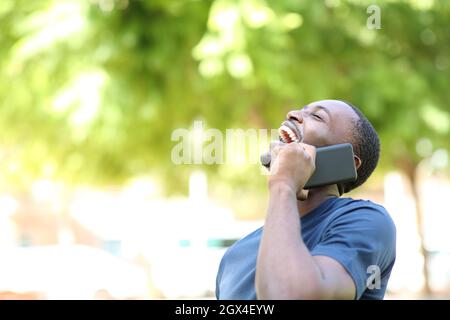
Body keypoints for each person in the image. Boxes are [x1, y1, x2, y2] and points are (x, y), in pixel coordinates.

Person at [215, 99, 396, 300]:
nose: (292, 114)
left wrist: (283, 184)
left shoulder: (368, 221)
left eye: (318, 116)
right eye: (301, 110)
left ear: (346, 162)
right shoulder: (235, 255)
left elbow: (290, 295)